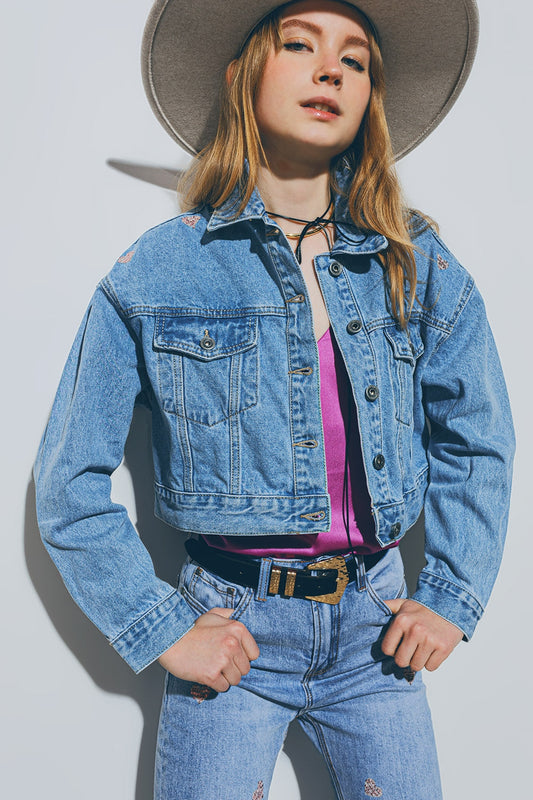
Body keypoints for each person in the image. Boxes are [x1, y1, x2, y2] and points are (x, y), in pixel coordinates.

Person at [34, 0, 514, 798]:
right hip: (231, 634)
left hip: (375, 637)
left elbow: (478, 434)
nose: (329, 68)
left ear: (369, 97)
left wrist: (452, 597)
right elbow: (67, 485)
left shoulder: (415, 261)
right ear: (242, 75)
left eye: (354, 60)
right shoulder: (157, 272)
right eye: (299, 44)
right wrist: (163, 631)